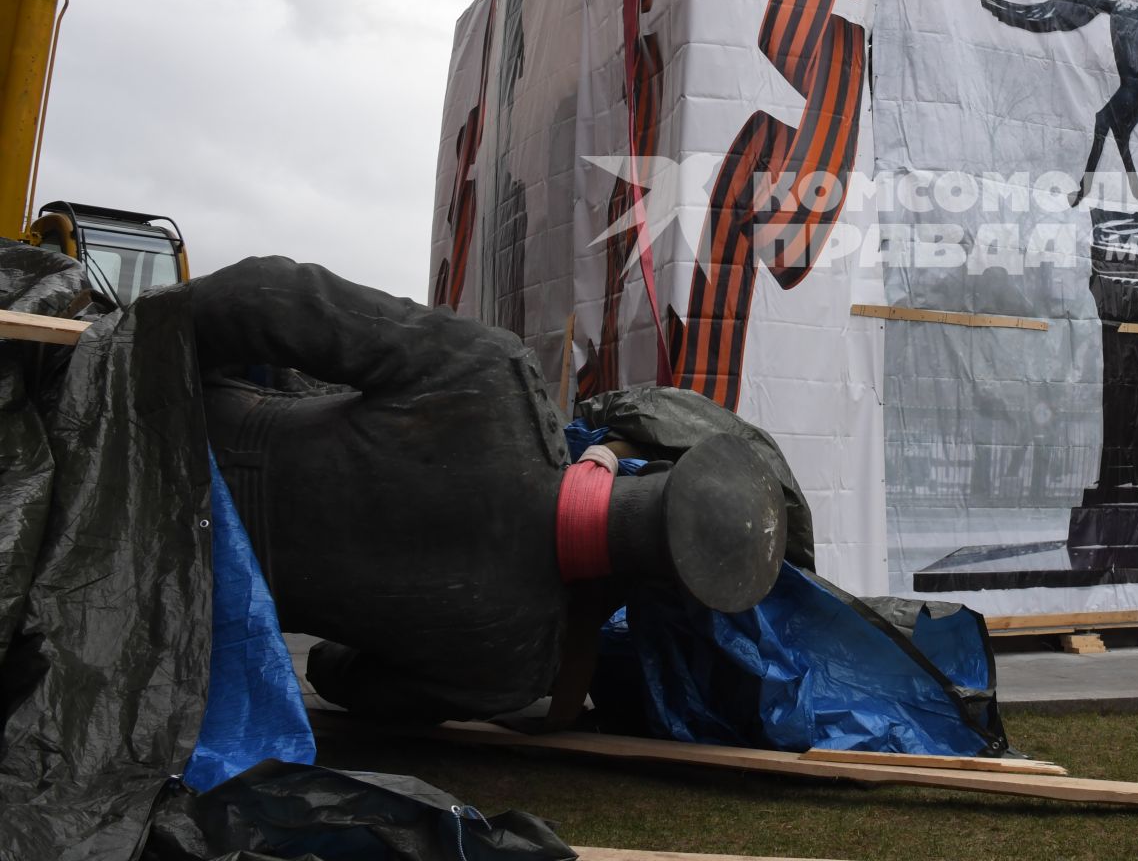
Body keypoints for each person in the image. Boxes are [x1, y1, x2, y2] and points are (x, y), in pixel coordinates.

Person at [193, 256, 788, 722]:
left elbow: (263, 294)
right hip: (169, 606)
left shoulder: (488, 376)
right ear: (655, 589)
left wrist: (158, 360)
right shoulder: (510, 671)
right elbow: (339, 678)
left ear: (658, 473)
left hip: (155, 438)